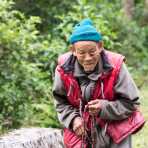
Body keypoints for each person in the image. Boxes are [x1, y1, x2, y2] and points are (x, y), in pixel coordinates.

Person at [52, 18, 145, 148]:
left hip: (115, 126)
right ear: (73, 50)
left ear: (100, 46)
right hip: (82, 129)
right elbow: (60, 102)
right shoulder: (63, 69)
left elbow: (131, 103)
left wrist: (104, 107)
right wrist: (73, 119)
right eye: (82, 53)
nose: (88, 58)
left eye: (92, 52)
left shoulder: (116, 66)